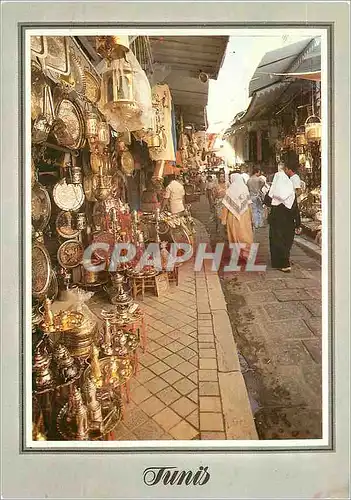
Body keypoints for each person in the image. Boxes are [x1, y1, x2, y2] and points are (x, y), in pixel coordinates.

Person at [264, 171, 301, 273]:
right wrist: (298, 223)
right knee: (286, 242)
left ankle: (279, 263)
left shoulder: (273, 192)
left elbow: (266, 201)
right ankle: (285, 261)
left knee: (277, 242)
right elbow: (295, 209)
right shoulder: (291, 192)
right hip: (289, 223)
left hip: (276, 222)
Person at [221, 173, 254, 261]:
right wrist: (251, 217)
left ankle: (236, 255)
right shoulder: (245, 188)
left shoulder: (230, 190)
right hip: (245, 216)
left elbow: (226, 206)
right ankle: (247, 254)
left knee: (234, 235)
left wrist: (223, 219)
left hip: (232, 217)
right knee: (245, 234)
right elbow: (249, 204)